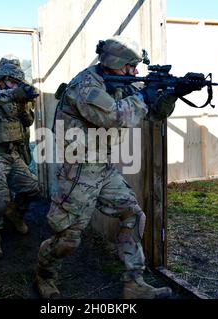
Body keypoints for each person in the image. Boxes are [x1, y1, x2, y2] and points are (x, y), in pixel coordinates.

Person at [35, 36, 195, 299]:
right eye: (131, 66)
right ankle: (45, 274)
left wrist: (173, 93)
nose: (135, 72)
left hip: (104, 167)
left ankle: (134, 284)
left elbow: (153, 114)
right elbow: (113, 116)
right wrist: (145, 93)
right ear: (116, 63)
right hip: (78, 171)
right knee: (68, 239)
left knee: (133, 215)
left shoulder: (121, 82)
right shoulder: (86, 85)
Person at [0, 62, 41, 259]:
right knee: (0, 198)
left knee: (33, 188)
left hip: (13, 153)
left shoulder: (18, 99)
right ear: (1, 81)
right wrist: (13, 94)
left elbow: (28, 122)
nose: (14, 85)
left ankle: (15, 213)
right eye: (11, 81)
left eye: (17, 82)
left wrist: (23, 104)